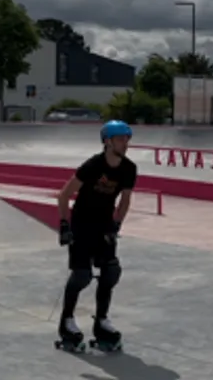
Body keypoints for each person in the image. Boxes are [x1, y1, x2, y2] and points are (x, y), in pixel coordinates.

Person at [54, 120, 137, 351]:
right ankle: (67, 321)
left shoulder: (129, 169)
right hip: (81, 226)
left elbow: (125, 200)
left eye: (127, 139)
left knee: (111, 271)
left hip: (104, 226)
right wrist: (63, 225)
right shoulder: (92, 165)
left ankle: (102, 321)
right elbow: (64, 195)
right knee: (82, 276)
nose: (126, 143)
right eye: (121, 139)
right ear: (108, 142)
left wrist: (116, 226)